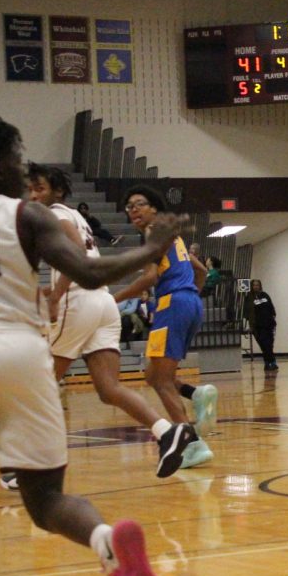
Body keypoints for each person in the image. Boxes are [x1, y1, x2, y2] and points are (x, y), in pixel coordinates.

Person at [0, 114, 174, 576]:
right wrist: (154, 248)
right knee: (46, 500)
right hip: (24, 356)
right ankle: (105, 542)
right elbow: (87, 272)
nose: (25, 173)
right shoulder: (29, 217)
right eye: (19, 162)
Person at [22, 164, 198, 486]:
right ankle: (167, 433)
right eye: (29, 189)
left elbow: (76, 254)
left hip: (79, 301)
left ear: (57, 191)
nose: (33, 195)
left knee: (41, 384)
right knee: (109, 389)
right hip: (102, 304)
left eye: (40, 189)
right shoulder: (75, 216)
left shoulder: (54, 216)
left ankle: (31, 465)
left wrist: (56, 295)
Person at [113, 185, 217, 469]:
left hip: (172, 304)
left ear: (154, 209)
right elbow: (202, 271)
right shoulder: (174, 236)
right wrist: (190, 296)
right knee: (153, 374)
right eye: (129, 206)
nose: (133, 210)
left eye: (139, 204)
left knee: (159, 380)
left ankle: (193, 444)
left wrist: (115, 298)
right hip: (190, 303)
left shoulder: (152, 234)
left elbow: (148, 279)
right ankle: (196, 394)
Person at [247, 279, 277, 371]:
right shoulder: (249, 297)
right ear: (251, 286)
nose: (256, 286)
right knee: (264, 345)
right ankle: (269, 362)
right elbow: (248, 312)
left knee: (269, 344)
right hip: (258, 326)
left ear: (260, 286)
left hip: (269, 324)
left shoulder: (265, 295)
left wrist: (273, 318)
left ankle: (270, 363)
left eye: (257, 285)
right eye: (254, 285)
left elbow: (271, 308)